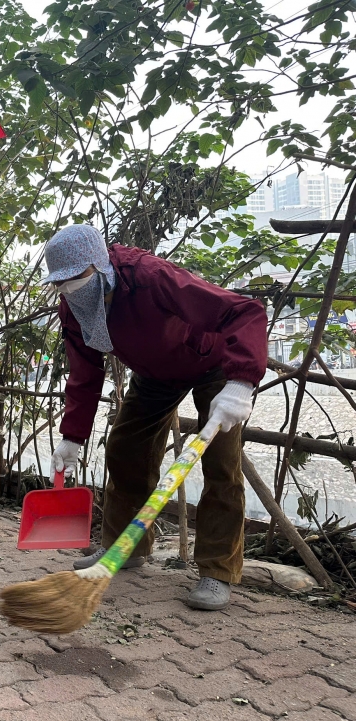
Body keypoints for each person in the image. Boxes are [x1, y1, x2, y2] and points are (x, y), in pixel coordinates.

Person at [44, 225, 267, 611]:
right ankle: (125, 549)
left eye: (75, 277)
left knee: (220, 461)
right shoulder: (74, 305)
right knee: (125, 448)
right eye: (60, 281)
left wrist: (241, 381)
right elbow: (84, 372)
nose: (68, 288)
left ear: (99, 265)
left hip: (212, 362)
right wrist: (72, 437)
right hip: (155, 373)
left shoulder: (150, 277)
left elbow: (243, 311)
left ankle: (217, 570)